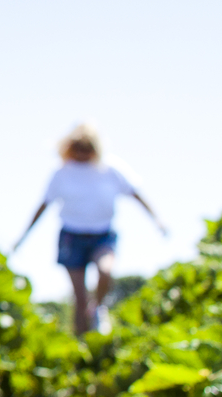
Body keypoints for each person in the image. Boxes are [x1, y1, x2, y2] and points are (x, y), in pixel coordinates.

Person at [14, 124, 166, 335]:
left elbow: (136, 193)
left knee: (105, 272)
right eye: (78, 148)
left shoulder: (110, 169)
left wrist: (157, 220)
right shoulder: (61, 173)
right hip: (71, 236)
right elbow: (43, 206)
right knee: (79, 298)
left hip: (102, 235)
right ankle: (81, 349)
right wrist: (23, 236)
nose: (82, 153)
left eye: (87, 148)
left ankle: (98, 308)